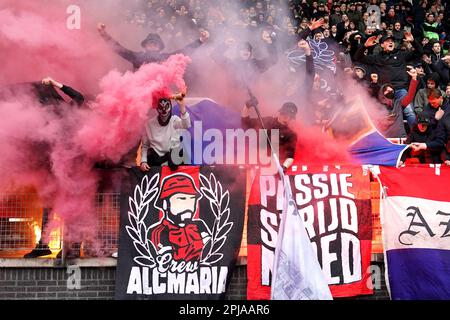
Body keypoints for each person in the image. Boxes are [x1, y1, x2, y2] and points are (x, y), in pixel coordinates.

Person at [23, 77, 85, 259]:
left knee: (71, 206)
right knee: (48, 205)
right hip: (52, 166)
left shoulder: (67, 110)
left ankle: (71, 246)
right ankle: (43, 245)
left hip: (71, 165)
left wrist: (56, 83)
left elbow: (79, 97)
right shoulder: (43, 120)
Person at [149, 173, 211, 262]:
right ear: (165, 204)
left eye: (192, 199)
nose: (189, 206)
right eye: (182, 199)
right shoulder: (156, 232)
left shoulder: (200, 225)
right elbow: (166, 260)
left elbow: (212, 253)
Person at [97, 23, 210, 70]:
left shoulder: (165, 58)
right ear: (145, 45)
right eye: (150, 43)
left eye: (155, 44)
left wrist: (200, 41)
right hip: (138, 94)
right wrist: (104, 34)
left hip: (159, 97)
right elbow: (119, 49)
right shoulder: (137, 57)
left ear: (159, 47)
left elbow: (184, 51)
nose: (152, 45)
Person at [139, 93, 191, 172]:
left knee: (179, 155)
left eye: (166, 107)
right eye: (161, 107)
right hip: (156, 160)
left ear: (170, 106)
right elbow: (145, 146)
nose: (164, 110)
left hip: (173, 158)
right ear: (157, 108)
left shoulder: (174, 120)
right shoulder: (149, 124)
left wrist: (182, 107)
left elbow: (186, 125)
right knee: (151, 157)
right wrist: (143, 161)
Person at [376, 68, 419, 138]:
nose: (390, 90)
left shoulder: (398, 103)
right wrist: (384, 119)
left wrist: (414, 78)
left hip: (400, 138)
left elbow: (410, 95)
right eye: (386, 90)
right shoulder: (377, 107)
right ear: (382, 94)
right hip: (385, 139)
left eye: (391, 90)